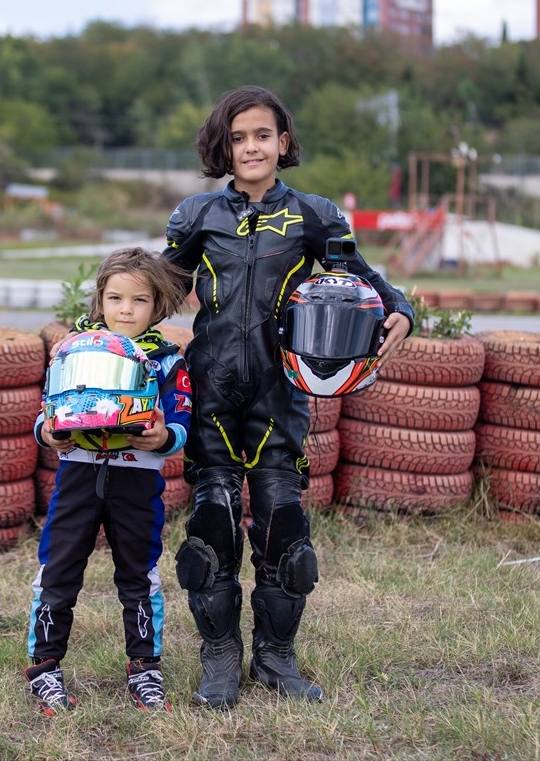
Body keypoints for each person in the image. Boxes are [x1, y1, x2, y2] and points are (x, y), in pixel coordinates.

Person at [163, 85, 413, 708]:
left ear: (284, 142)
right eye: (239, 136)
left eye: (263, 134)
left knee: (285, 532)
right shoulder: (196, 216)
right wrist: (100, 336)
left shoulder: (314, 215)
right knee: (209, 530)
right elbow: (152, 289)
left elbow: (367, 280)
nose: (251, 146)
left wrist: (402, 310)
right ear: (223, 145)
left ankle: (277, 659)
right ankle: (219, 658)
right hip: (212, 395)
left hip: (282, 397)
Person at [24, 247, 193, 716]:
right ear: (99, 300)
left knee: (138, 575)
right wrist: (49, 434)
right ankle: (43, 667)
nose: (125, 309)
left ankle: (145, 669)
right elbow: (46, 413)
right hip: (78, 476)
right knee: (58, 572)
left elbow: (182, 423)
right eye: (115, 297)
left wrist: (163, 437)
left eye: (139, 300)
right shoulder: (72, 352)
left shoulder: (166, 361)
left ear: (158, 306)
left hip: (137, 483)